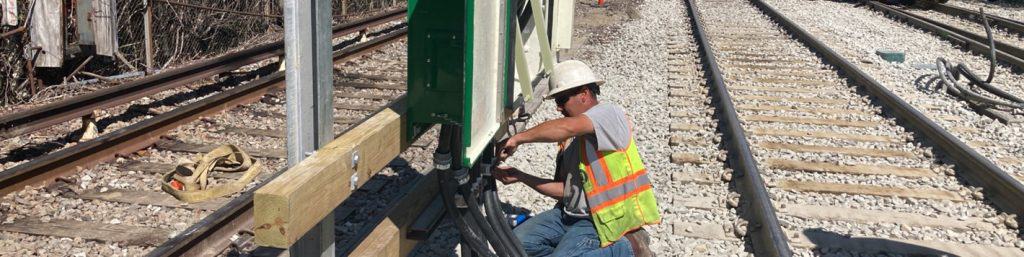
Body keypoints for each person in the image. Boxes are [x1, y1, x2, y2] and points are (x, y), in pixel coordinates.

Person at [495, 60, 660, 257]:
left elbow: (565, 127)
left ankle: (630, 247)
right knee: (515, 245)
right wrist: (521, 176)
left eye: (562, 99)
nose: (558, 107)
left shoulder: (608, 114)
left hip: (596, 220)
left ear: (584, 94)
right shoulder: (574, 142)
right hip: (566, 215)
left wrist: (518, 138)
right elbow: (566, 191)